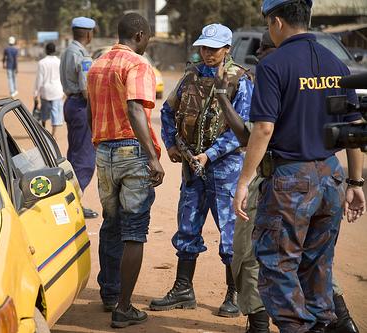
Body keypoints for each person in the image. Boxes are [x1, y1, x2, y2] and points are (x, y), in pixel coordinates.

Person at [233, 1, 365, 332]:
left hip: (291, 179)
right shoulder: (335, 61)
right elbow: (356, 124)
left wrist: (243, 181)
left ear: (276, 21)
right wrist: (356, 184)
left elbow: (263, 128)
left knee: (277, 267)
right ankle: (320, 325)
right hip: (331, 177)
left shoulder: (273, 64)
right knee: (318, 265)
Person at [151, 23, 253, 318]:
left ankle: (234, 293)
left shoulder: (240, 80)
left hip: (227, 170)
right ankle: (183, 288)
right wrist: (170, 144)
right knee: (187, 226)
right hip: (192, 169)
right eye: (204, 48)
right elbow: (168, 112)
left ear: (227, 49)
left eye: (213, 48)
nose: (207, 53)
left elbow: (243, 129)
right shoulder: (190, 77)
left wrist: (209, 155)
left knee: (230, 233)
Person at [87, 12, 164, 328]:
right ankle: (124, 307)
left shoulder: (97, 65)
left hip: (103, 151)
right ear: (141, 35)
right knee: (134, 230)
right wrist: (152, 156)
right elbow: (135, 108)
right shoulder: (138, 64)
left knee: (112, 223)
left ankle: (110, 293)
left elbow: (93, 112)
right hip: (131, 150)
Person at [60, 16, 98, 219]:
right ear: (89, 34)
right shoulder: (82, 56)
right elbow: (86, 90)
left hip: (71, 104)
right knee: (85, 159)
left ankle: (71, 199)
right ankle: (74, 202)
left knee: (75, 155)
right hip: (82, 107)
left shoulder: (67, 51)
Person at [34, 42, 64, 139]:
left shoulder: (42, 63)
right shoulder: (59, 62)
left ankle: (44, 131)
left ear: (46, 50)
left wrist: (36, 93)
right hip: (57, 91)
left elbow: (39, 79)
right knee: (55, 112)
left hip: (45, 91)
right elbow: (62, 77)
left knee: (44, 112)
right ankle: (53, 133)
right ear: (55, 51)